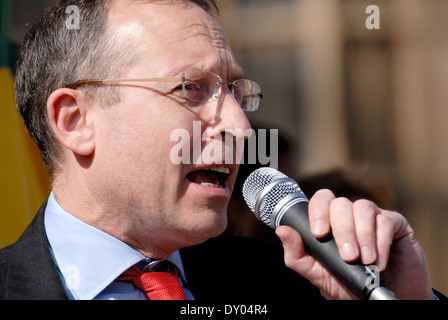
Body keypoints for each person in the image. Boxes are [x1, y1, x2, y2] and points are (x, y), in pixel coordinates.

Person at [0, 0, 438, 301]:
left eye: (234, 92)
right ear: (75, 121)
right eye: (191, 88)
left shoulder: (299, 284)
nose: (240, 127)